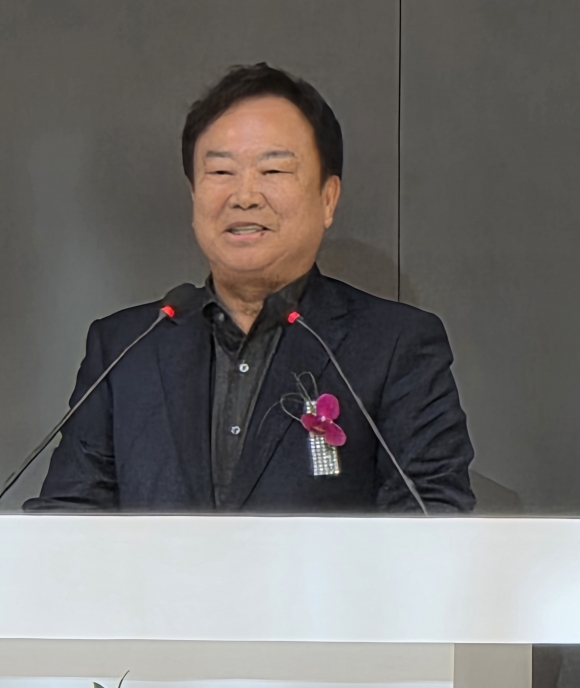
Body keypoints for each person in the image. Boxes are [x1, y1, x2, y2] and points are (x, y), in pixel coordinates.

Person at [24, 63, 475, 514]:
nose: (244, 196)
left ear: (328, 198)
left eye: (273, 170)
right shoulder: (124, 348)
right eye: (221, 172)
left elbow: (431, 517)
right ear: (194, 196)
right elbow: (66, 519)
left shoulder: (395, 345)